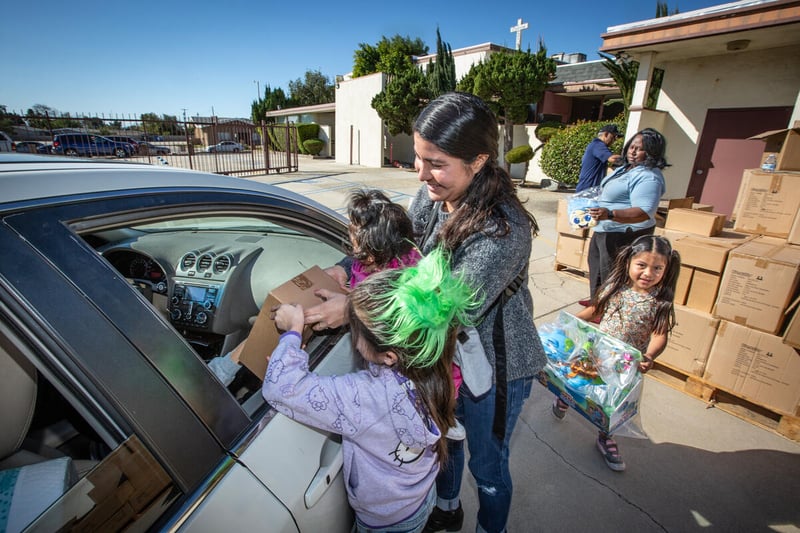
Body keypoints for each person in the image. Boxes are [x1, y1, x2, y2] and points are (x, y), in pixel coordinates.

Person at [304, 92, 547, 533]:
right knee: (444, 446)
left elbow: (440, 310)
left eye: (436, 162)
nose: (421, 174)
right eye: (419, 158)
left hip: (495, 367)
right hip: (441, 361)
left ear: (478, 160)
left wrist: (354, 308)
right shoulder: (434, 196)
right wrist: (343, 271)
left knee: (488, 469)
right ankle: (447, 508)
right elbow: (391, 249)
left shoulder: (501, 229)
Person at [262, 247, 480, 532]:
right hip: (418, 499)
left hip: (383, 521)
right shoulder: (433, 365)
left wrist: (292, 333)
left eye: (357, 328)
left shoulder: (366, 397)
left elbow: (281, 387)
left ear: (389, 355)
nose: (354, 334)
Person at [553, 235, 680, 471]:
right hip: (598, 353)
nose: (648, 273)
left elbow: (660, 335)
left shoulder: (660, 301)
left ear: (667, 269)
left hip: (625, 366)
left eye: (657, 268)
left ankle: (606, 438)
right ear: (629, 261)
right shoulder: (615, 288)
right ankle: (564, 398)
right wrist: (571, 321)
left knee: (613, 404)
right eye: (642, 265)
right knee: (580, 383)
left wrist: (650, 356)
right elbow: (595, 310)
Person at [584, 127, 669, 302]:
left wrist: (611, 214)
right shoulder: (627, 169)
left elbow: (644, 212)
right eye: (631, 147)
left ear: (652, 152)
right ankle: (596, 303)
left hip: (622, 234)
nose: (633, 152)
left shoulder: (648, 177)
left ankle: (609, 309)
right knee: (597, 269)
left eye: (640, 149)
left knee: (613, 275)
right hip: (604, 228)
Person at [575, 124, 622, 193]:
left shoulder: (595, 145)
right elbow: (612, 159)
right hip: (587, 191)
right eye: (613, 137)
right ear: (606, 134)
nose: (614, 140)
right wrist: (628, 157)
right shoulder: (598, 145)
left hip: (590, 190)